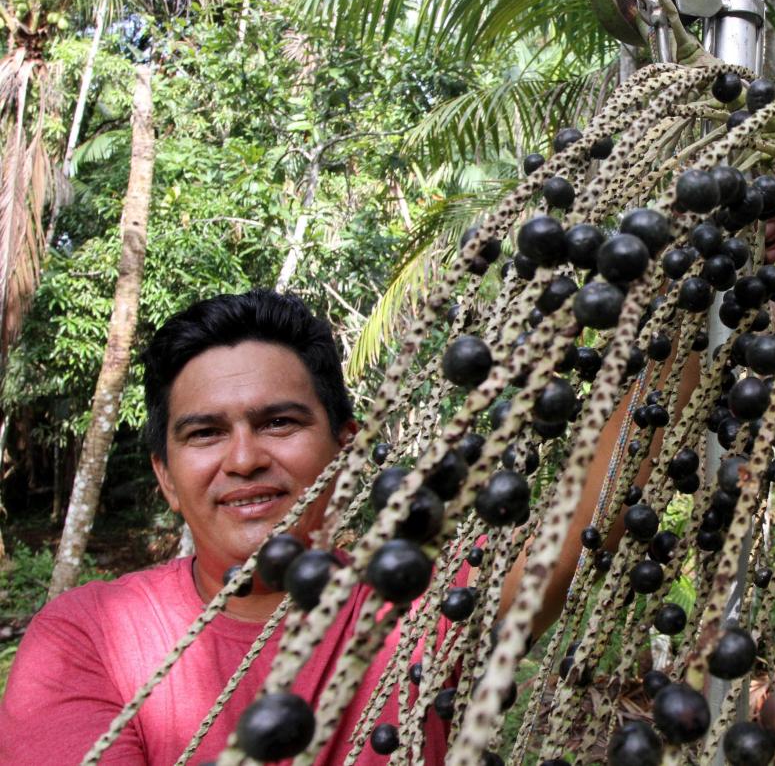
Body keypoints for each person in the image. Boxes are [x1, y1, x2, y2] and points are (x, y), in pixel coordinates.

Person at [0, 289, 688, 765]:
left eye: (279, 422)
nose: (244, 459)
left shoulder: (418, 598)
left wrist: (700, 302)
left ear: (347, 448)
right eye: (206, 433)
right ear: (165, 478)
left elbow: (578, 530)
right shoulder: (86, 636)